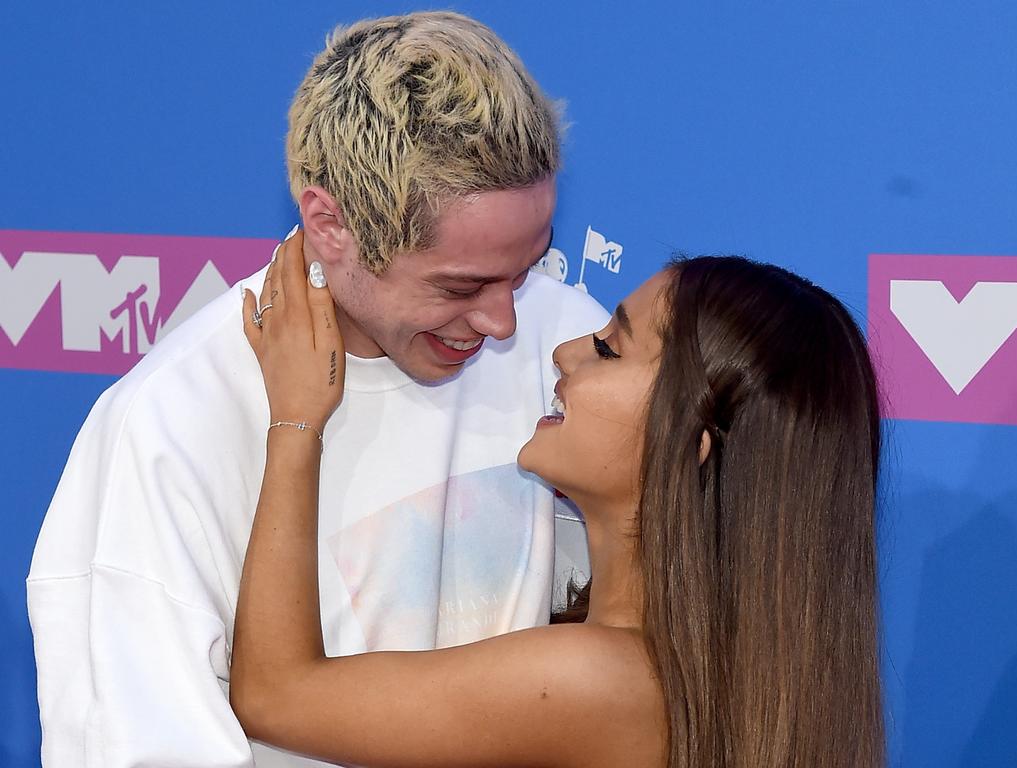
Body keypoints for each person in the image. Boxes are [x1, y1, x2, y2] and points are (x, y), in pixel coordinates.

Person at [27, 12, 608, 768]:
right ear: (329, 224)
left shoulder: (578, 356)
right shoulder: (169, 424)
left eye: (528, 267)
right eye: (461, 284)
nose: (503, 321)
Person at [230, 235, 886, 768]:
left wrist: (296, 420)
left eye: (608, 349)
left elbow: (275, 695)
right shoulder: (706, 679)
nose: (566, 353)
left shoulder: (601, 681)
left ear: (693, 445)